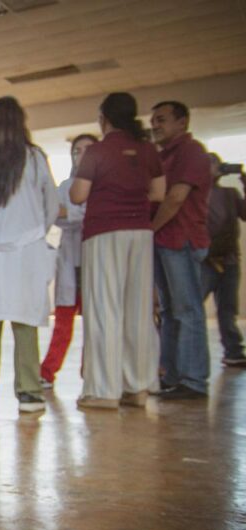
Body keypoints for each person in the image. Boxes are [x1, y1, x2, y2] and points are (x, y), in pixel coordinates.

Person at [0, 97, 59, 414]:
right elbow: (51, 205)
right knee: (25, 321)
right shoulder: (33, 158)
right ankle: (29, 392)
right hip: (25, 251)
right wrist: (31, 233)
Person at [69, 92, 166, 409]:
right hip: (140, 232)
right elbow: (158, 192)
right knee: (138, 309)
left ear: (103, 118)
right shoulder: (147, 149)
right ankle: (137, 386)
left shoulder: (98, 151)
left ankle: (103, 390)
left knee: (104, 308)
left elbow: (78, 195)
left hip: (104, 233)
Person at [150, 101, 213, 399]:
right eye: (153, 120)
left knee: (187, 311)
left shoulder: (192, 152)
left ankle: (193, 380)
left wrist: (150, 229)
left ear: (182, 122)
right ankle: (172, 376)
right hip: (164, 243)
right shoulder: (162, 156)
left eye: (162, 119)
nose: (155, 125)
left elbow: (175, 198)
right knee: (169, 312)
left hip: (182, 241)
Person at [40, 134, 98, 389]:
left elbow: (75, 214)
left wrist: (68, 211)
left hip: (94, 258)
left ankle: (94, 373)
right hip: (70, 261)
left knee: (97, 323)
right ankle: (47, 372)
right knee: (63, 323)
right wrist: (69, 212)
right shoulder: (64, 186)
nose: (81, 155)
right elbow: (56, 214)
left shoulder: (102, 185)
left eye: (87, 150)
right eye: (77, 151)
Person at [201, 153, 246, 367]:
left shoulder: (230, 194)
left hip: (229, 259)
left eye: (215, 163)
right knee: (191, 306)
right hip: (204, 259)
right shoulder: (194, 194)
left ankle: (234, 350)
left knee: (228, 308)